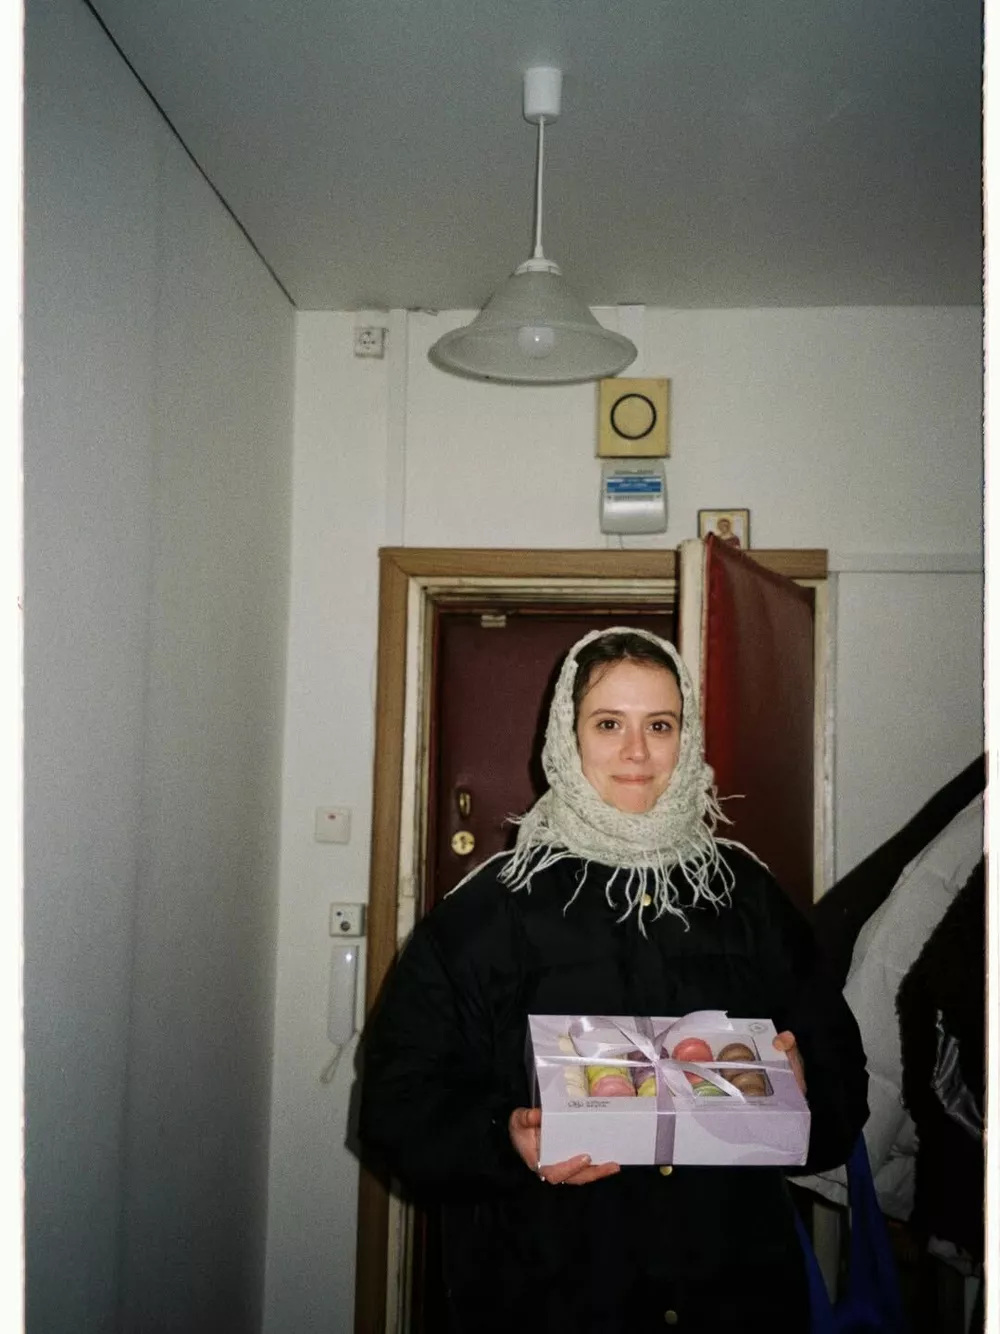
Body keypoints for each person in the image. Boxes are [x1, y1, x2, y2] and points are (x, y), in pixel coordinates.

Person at [359, 627, 868, 1334]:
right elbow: (395, 1107)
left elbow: (842, 1082)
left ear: (687, 738)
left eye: (660, 725)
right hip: (547, 1299)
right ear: (566, 739)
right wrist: (506, 1139)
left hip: (735, 1295)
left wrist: (803, 1093)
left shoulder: (746, 897)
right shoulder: (489, 913)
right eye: (608, 724)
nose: (637, 752)